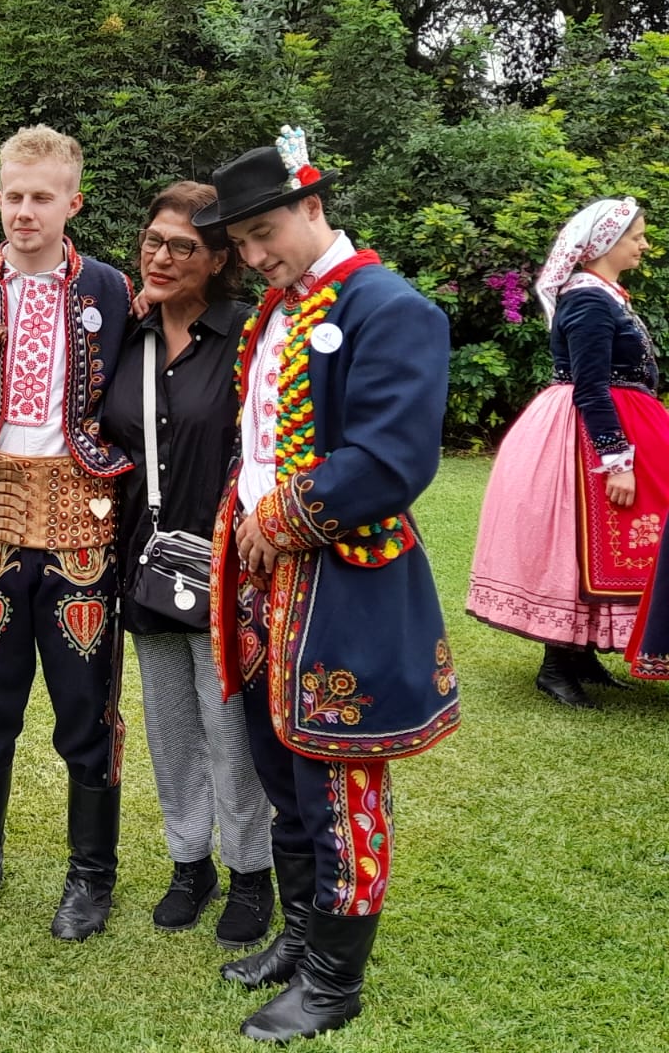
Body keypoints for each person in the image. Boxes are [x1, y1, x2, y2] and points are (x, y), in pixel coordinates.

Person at [200, 128, 460, 1042]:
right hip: (260, 579)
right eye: (241, 242)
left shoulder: (390, 307)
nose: (253, 256)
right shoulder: (276, 310)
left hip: (341, 580)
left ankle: (334, 982)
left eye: (264, 233)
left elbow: (392, 457)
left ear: (313, 207)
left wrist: (280, 518)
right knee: (281, 767)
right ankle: (303, 937)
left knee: (339, 778)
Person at [0, 125, 133, 942]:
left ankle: (91, 874)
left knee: (86, 703)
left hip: (84, 514)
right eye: (13, 195)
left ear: (73, 202)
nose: (24, 211)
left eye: (42, 197)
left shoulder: (116, 291)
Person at [101, 181, 274, 947]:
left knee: (229, 727)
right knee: (170, 726)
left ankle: (251, 872)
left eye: (183, 247)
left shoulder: (249, 336)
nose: (162, 257)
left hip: (228, 568)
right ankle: (188, 863)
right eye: (153, 241)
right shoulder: (127, 334)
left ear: (218, 259)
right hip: (144, 562)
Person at [468, 198, 661, 706]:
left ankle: (581, 657)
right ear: (605, 244)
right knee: (574, 541)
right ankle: (555, 666)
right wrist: (616, 460)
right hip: (583, 436)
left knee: (597, 544)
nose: (644, 245)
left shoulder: (605, 296)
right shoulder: (589, 300)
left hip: (609, 427)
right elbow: (590, 387)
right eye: (636, 236)